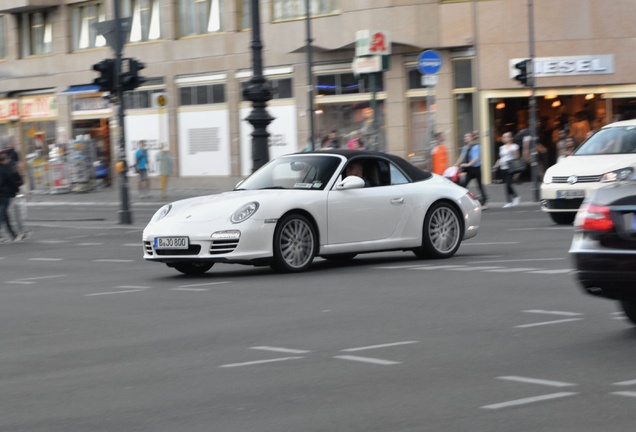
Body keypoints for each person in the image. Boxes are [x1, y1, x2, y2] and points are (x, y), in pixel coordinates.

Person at [454, 131, 488, 207]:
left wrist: (467, 164)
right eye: (465, 137)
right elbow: (461, 157)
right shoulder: (465, 147)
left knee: (479, 185)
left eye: (467, 136)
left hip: (476, 169)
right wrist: (456, 164)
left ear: (472, 138)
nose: (465, 138)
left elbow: (475, 158)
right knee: (464, 185)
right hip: (469, 169)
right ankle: (464, 200)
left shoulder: (476, 146)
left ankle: (484, 200)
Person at [492, 131, 521, 208]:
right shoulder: (501, 147)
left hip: (510, 167)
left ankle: (509, 201)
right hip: (503, 167)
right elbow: (500, 158)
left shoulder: (514, 146)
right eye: (504, 137)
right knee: (507, 184)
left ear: (511, 138)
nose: (505, 138)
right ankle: (515, 197)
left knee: (507, 184)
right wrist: (495, 166)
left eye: (507, 136)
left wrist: (512, 153)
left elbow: (517, 157)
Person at [0, 152, 23, 242]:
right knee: (3, 214)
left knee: (5, 214)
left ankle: (12, 234)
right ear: (4, 159)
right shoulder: (5, 169)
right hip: (5, 194)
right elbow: (11, 180)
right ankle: (12, 234)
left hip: (3, 194)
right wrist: (17, 189)